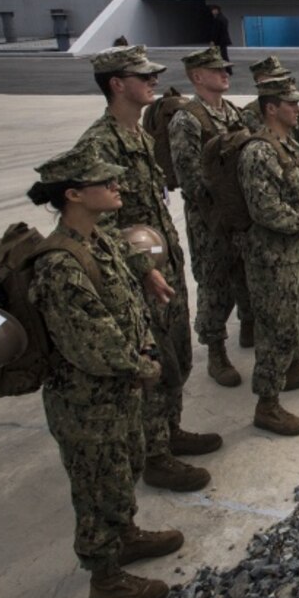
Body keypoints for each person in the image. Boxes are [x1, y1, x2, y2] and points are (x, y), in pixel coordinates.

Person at [25, 144, 184, 598]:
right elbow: (91, 345)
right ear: (74, 194)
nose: (117, 187)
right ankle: (107, 579)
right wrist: (144, 366)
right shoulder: (60, 265)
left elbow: (125, 263)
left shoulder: (97, 237)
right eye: (106, 183)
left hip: (117, 394)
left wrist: (148, 273)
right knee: (97, 487)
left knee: (122, 471)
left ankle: (126, 536)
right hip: (88, 403)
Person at [80, 44, 214, 493]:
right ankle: (155, 456)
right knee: (152, 361)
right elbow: (99, 223)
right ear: (117, 84)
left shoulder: (139, 135)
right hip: (138, 276)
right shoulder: (99, 145)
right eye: (143, 76)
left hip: (164, 266)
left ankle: (169, 432)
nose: (153, 80)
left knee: (176, 354)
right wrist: (142, 269)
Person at [240, 77, 299, 436]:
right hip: (271, 258)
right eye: (290, 104)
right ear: (271, 109)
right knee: (276, 329)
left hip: (297, 251)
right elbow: (263, 208)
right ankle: (267, 404)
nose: (297, 109)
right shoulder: (258, 151)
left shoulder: (288, 145)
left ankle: (293, 368)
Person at [167, 45, 253, 387]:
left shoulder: (232, 112)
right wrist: (223, 204)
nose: (225, 74)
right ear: (196, 76)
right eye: (217, 70)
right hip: (210, 218)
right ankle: (216, 351)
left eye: (226, 70)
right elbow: (190, 178)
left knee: (245, 272)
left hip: (238, 211)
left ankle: (249, 327)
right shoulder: (187, 119)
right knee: (215, 282)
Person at [241, 55, 299, 163]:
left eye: (282, 75)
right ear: (260, 80)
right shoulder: (250, 114)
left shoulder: (293, 111)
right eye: (275, 76)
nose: (281, 80)